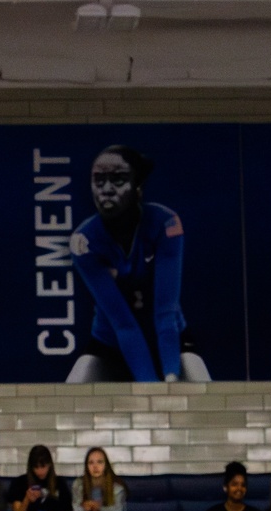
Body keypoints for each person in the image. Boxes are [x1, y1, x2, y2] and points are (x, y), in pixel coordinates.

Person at [66, 144, 210, 383]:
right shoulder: (83, 241)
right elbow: (123, 324)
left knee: (204, 388)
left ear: (138, 186)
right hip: (111, 342)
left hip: (168, 339)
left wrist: (171, 378)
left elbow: (166, 310)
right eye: (98, 180)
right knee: (71, 389)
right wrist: (150, 390)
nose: (107, 190)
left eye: (119, 180)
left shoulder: (166, 224)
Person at [8, 446, 73, 511]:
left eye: (43, 466)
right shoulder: (20, 483)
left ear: (49, 464)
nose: (40, 471)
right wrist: (27, 500)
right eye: (36, 467)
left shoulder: (60, 483)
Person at [72, 447, 127, 511]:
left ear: (106, 465)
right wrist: (84, 509)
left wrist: (99, 508)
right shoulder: (78, 485)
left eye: (100, 462)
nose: (95, 466)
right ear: (86, 466)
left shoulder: (117, 488)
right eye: (91, 463)